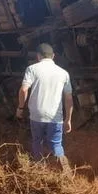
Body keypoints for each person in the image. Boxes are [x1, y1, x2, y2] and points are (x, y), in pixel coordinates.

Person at [15, 43, 74, 171]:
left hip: (36, 115)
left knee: (37, 141)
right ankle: (64, 170)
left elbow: (24, 90)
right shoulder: (63, 73)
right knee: (56, 144)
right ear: (53, 56)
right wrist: (68, 119)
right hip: (55, 116)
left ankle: (39, 169)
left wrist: (20, 108)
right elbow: (68, 98)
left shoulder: (32, 69)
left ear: (38, 56)